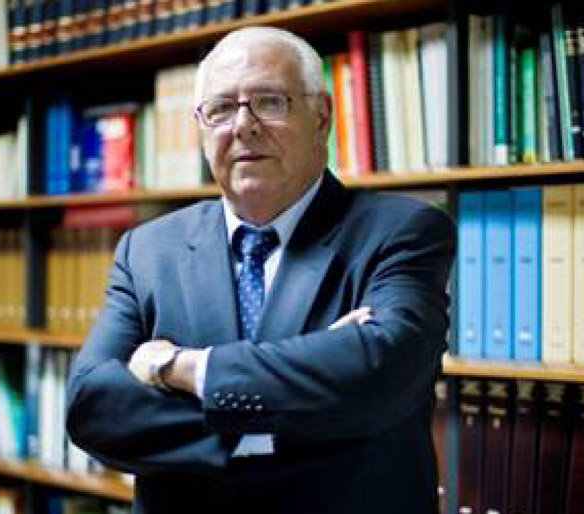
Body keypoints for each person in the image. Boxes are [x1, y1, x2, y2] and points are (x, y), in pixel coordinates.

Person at [66, 26, 456, 514]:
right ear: (201, 127)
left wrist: (178, 368)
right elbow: (92, 407)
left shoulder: (402, 230)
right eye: (221, 108)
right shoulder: (147, 249)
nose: (243, 126)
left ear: (321, 117)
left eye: (270, 102)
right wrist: (308, 394)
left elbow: (381, 373)